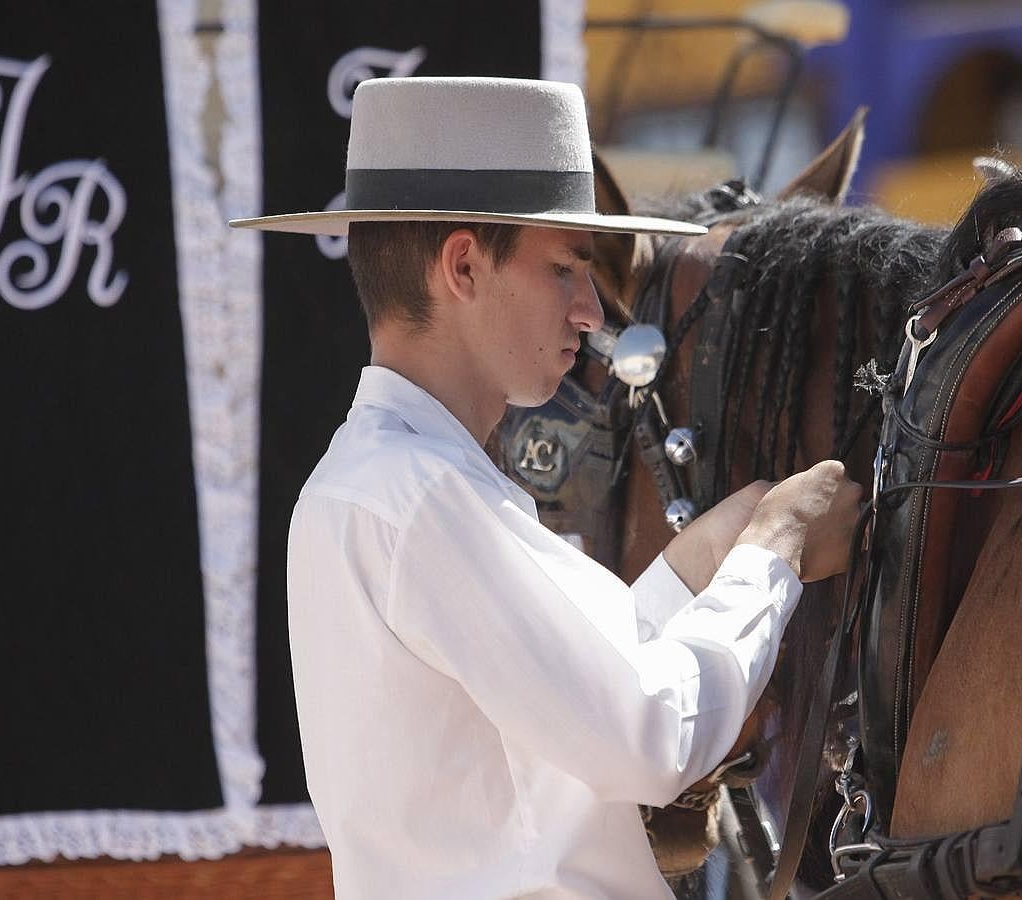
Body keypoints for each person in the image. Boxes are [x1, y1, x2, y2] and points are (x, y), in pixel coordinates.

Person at [231, 77, 862, 899]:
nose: (593, 312)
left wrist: (693, 566)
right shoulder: (416, 497)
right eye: (565, 267)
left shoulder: (390, 484)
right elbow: (647, 737)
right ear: (462, 265)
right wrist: (772, 552)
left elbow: (564, 702)